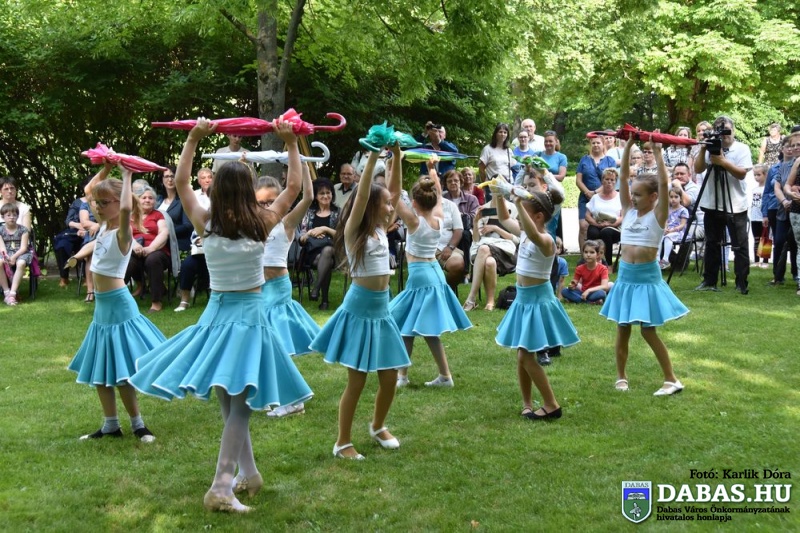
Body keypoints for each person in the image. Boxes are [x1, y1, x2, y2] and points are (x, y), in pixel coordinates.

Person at [130, 117, 312, 513]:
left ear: (217, 189)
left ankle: (250, 474)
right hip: (247, 317)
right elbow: (294, 188)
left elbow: (181, 183)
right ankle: (221, 487)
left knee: (231, 402)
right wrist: (290, 143)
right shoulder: (262, 221)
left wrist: (194, 139)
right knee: (240, 406)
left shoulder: (206, 221)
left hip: (216, 315)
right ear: (248, 189)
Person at [310, 147, 410, 461]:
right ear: (369, 206)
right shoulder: (355, 232)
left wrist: (396, 157)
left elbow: (394, 191)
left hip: (382, 309)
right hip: (359, 310)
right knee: (357, 382)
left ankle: (378, 426)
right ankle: (342, 442)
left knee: (390, 377)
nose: (391, 206)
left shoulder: (381, 228)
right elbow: (364, 193)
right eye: (386, 203)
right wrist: (371, 160)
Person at [67, 162, 164, 441]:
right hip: (102, 308)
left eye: (103, 203)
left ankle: (138, 424)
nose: (97, 207)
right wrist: (107, 166)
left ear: (119, 202)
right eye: (96, 203)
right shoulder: (102, 228)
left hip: (119, 306)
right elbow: (89, 189)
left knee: (122, 372)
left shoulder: (123, 233)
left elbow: (124, 210)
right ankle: (110, 425)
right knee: (102, 367)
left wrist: (126, 175)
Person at [601, 135, 689, 396]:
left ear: (654, 197)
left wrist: (659, 153)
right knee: (622, 329)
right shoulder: (628, 211)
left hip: (647, 278)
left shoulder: (658, 215)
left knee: (648, 331)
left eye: (639, 195)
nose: (633, 198)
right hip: (626, 278)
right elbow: (622, 177)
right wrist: (628, 146)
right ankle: (621, 377)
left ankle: (671, 379)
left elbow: (663, 182)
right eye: (633, 194)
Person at [493, 184, 578, 420]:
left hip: (537, 302)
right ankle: (527, 403)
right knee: (522, 354)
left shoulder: (547, 240)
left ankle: (551, 405)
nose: (518, 218)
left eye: (524, 214)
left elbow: (532, 234)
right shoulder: (525, 234)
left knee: (525, 355)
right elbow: (503, 218)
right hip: (523, 300)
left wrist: (517, 202)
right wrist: (498, 194)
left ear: (538, 217)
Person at [390, 157, 472, 389]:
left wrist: (394, 161)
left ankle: (416, 376)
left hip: (421, 275)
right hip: (433, 271)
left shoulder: (414, 222)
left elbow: (393, 193)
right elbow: (436, 190)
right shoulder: (438, 216)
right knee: (413, 327)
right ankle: (413, 376)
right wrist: (432, 168)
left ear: (414, 203)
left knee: (413, 327)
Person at [256, 169, 320, 418]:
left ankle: (293, 400)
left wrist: (302, 166)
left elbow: (308, 197)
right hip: (257, 290)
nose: (267, 207)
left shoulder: (286, 222)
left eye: (271, 201)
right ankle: (269, 394)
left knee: (277, 346)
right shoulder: (252, 223)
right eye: (261, 202)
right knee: (261, 344)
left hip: (278, 289)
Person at [693, 116, 754, 294]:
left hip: (735, 205)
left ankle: (741, 282)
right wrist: (703, 148)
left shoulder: (742, 148)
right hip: (712, 203)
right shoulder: (710, 146)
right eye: (720, 131)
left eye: (727, 130)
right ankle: (709, 280)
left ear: (733, 130)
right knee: (712, 243)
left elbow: (741, 174)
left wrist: (723, 162)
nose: (724, 135)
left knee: (739, 245)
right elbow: (698, 169)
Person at [462, 197, 519, 311]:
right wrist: (475, 222)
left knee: (483, 249)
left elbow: (517, 239)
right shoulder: (484, 209)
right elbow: (476, 239)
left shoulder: (513, 208)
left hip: (506, 251)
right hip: (486, 249)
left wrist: (496, 228)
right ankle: (490, 301)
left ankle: (471, 298)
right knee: (489, 262)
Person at [126, 186, 171, 312]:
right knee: (126, 261)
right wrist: (135, 246)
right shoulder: (130, 216)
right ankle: (115, 299)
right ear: (137, 200)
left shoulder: (158, 215)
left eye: (150, 198)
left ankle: (156, 302)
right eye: (144, 197)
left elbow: (164, 233)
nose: (147, 200)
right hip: (135, 249)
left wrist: (151, 248)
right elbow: (126, 235)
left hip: (157, 250)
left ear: (154, 201)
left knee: (152, 260)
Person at [174, 168, 214, 311]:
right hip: (199, 243)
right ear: (198, 181)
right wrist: (199, 239)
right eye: (203, 177)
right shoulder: (194, 195)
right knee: (187, 265)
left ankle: (215, 298)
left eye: (210, 177)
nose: (207, 180)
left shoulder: (221, 196)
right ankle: (184, 300)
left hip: (216, 245)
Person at [299, 178, 339, 310]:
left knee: (327, 251)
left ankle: (316, 288)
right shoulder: (309, 212)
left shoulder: (338, 212)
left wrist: (325, 229)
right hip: (312, 252)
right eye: (322, 193)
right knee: (326, 261)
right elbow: (301, 238)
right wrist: (311, 233)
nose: (326, 196)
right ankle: (324, 301)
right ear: (315, 196)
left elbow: (343, 236)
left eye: (328, 192)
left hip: (334, 252)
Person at [576, 136, 617, 251]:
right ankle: (584, 254)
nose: (596, 145)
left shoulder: (610, 160)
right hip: (585, 197)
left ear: (603, 144)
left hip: (604, 198)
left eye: (598, 143)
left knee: (602, 227)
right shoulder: (584, 160)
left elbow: (611, 180)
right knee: (583, 226)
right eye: (593, 143)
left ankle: (600, 253)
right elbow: (578, 180)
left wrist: (595, 193)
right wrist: (587, 192)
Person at [585, 168, 623, 267]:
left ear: (615, 182)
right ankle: (592, 261)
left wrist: (612, 224)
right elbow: (587, 216)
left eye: (612, 180)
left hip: (615, 227)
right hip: (598, 224)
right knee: (592, 231)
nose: (609, 182)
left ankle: (608, 265)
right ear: (602, 180)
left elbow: (623, 216)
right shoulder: (595, 198)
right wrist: (597, 224)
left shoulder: (620, 197)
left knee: (606, 232)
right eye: (607, 179)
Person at [54, 188, 88, 288]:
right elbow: (68, 221)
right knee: (62, 244)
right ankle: (64, 277)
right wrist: (79, 226)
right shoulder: (77, 202)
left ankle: (87, 278)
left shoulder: (101, 202)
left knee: (87, 245)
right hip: (74, 232)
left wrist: (87, 229)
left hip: (91, 232)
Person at [0, 203, 31, 305]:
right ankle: (6, 292)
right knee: (0, 262)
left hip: (20, 252)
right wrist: (6, 257)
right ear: (3, 217)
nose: (12, 217)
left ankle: (12, 294)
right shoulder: (0, 230)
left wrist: (13, 257)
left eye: (14, 215)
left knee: (21, 263)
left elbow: (23, 248)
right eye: (8, 215)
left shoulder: (23, 230)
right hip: (5, 252)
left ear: (18, 216)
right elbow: (2, 247)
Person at [157, 166, 193, 252]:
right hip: (155, 241)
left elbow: (188, 226)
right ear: (162, 180)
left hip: (175, 244)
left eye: (173, 176)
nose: (170, 179)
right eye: (166, 176)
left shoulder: (184, 200)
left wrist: (167, 233)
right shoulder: (157, 200)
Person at [435, 197, 466, 294]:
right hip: (423, 250)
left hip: (446, 247)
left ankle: (446, 293)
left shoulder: (450, 205)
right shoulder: (416, 204)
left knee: (457, 264)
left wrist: (450, 247)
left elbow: (458, 230)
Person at [659, 187, 689, 269]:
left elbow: (682, 225)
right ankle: (657, 259)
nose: (673, 199)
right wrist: (665, 228)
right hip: (669, 231)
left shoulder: (683, 210)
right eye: (671, 197)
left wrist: (673, 230)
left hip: (679, 232)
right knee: (659, 236)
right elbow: (666, 221)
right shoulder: (667, 210)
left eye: (676, 197)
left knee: (668, 237)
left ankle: (665, 260)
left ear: (680, 198)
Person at [749, 164, 769, 268]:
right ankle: (756, 260)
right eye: (755, 175)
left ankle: (765, 261)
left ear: (765, 175)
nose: (756, 177)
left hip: (764, 218)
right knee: (756, 239)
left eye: (758, 175)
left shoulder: (767, 189)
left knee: (765, 239)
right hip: (754, 217)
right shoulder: (754, 189)